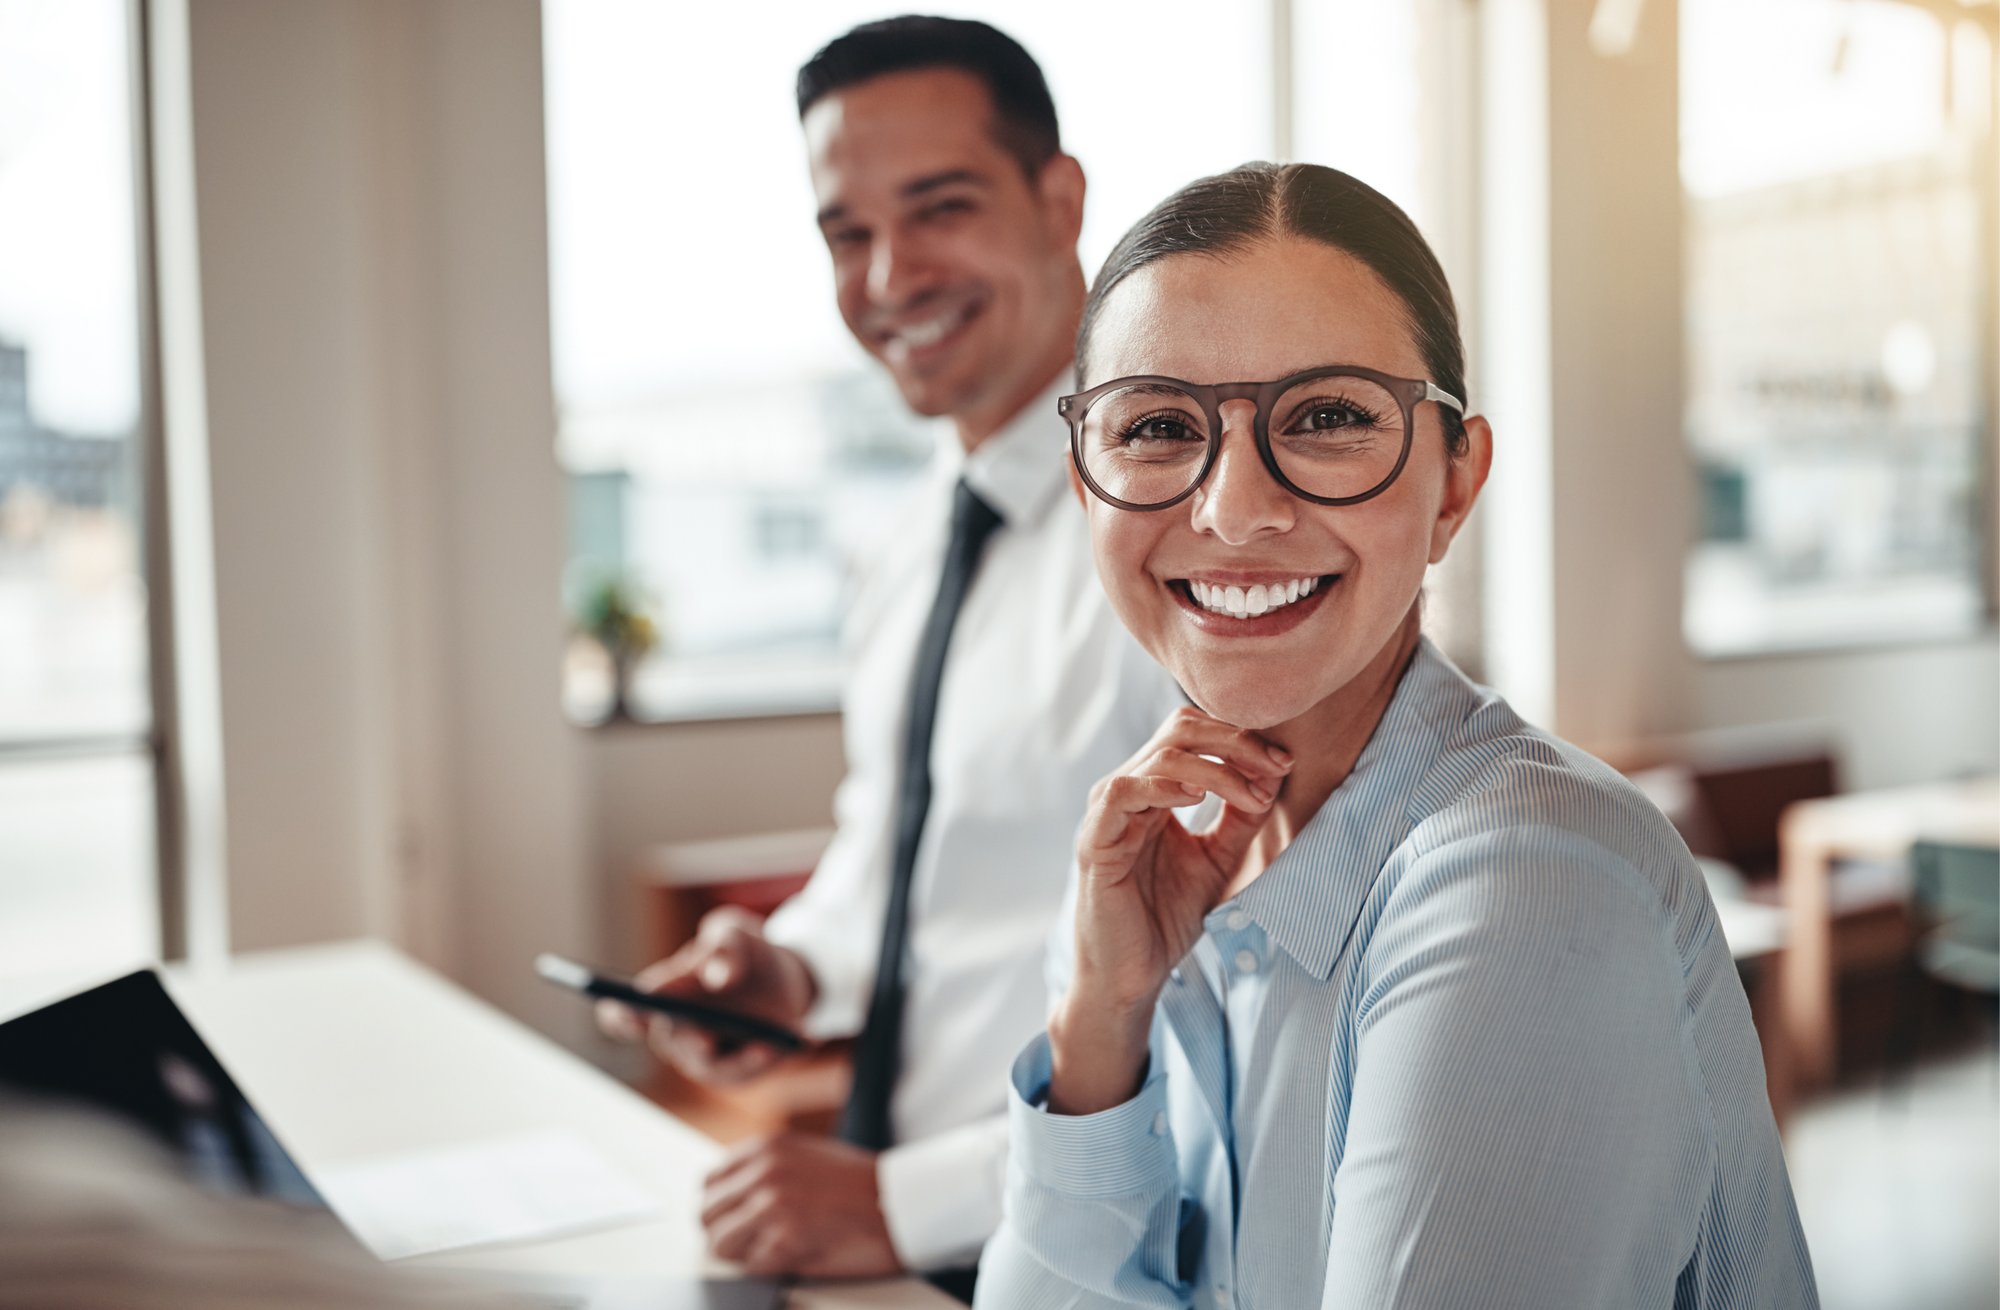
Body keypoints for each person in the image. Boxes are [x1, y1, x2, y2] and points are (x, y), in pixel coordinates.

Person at [976, 162, 1819, 1308]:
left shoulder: (1527, 881)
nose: (1231, 508)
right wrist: (1096, 1020)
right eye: (1159, 426)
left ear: (1454, 481)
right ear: (1086, 490)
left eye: (1325, 416)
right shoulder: (1168, 872)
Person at [596, 16, 1179, 1299]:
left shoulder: (1183, 543)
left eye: (939, 208)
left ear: (1058, 199)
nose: (887, 276)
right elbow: (897, 858)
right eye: (845, 234)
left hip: (1081, 1247)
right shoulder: (906, 545)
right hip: (879, 1239)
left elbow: (1235, 1005)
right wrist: (789, 969)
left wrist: (904, 1202)